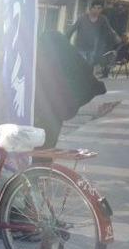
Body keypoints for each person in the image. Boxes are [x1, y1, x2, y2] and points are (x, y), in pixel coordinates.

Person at [34, 29, 106, 163]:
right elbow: (86, 73)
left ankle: (37, 171)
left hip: (40, 112)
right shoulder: (69, 54)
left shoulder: (40, 55)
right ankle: (43, 172)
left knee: (35, 150)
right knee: (47, 148)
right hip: (58, 111)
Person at [67, 0, 120, 74]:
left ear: (101, 10)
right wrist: (66, 41)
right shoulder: (82, 18)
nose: (96, 10)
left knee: (89, 68)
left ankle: (86, 79)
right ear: (90, 8)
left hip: (92, 49)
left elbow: (109, 29)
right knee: (81, 66)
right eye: (94, 8)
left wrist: (116, 37)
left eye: (99, 8)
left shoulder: (102, 19)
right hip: (80, 47)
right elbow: (72, 29)